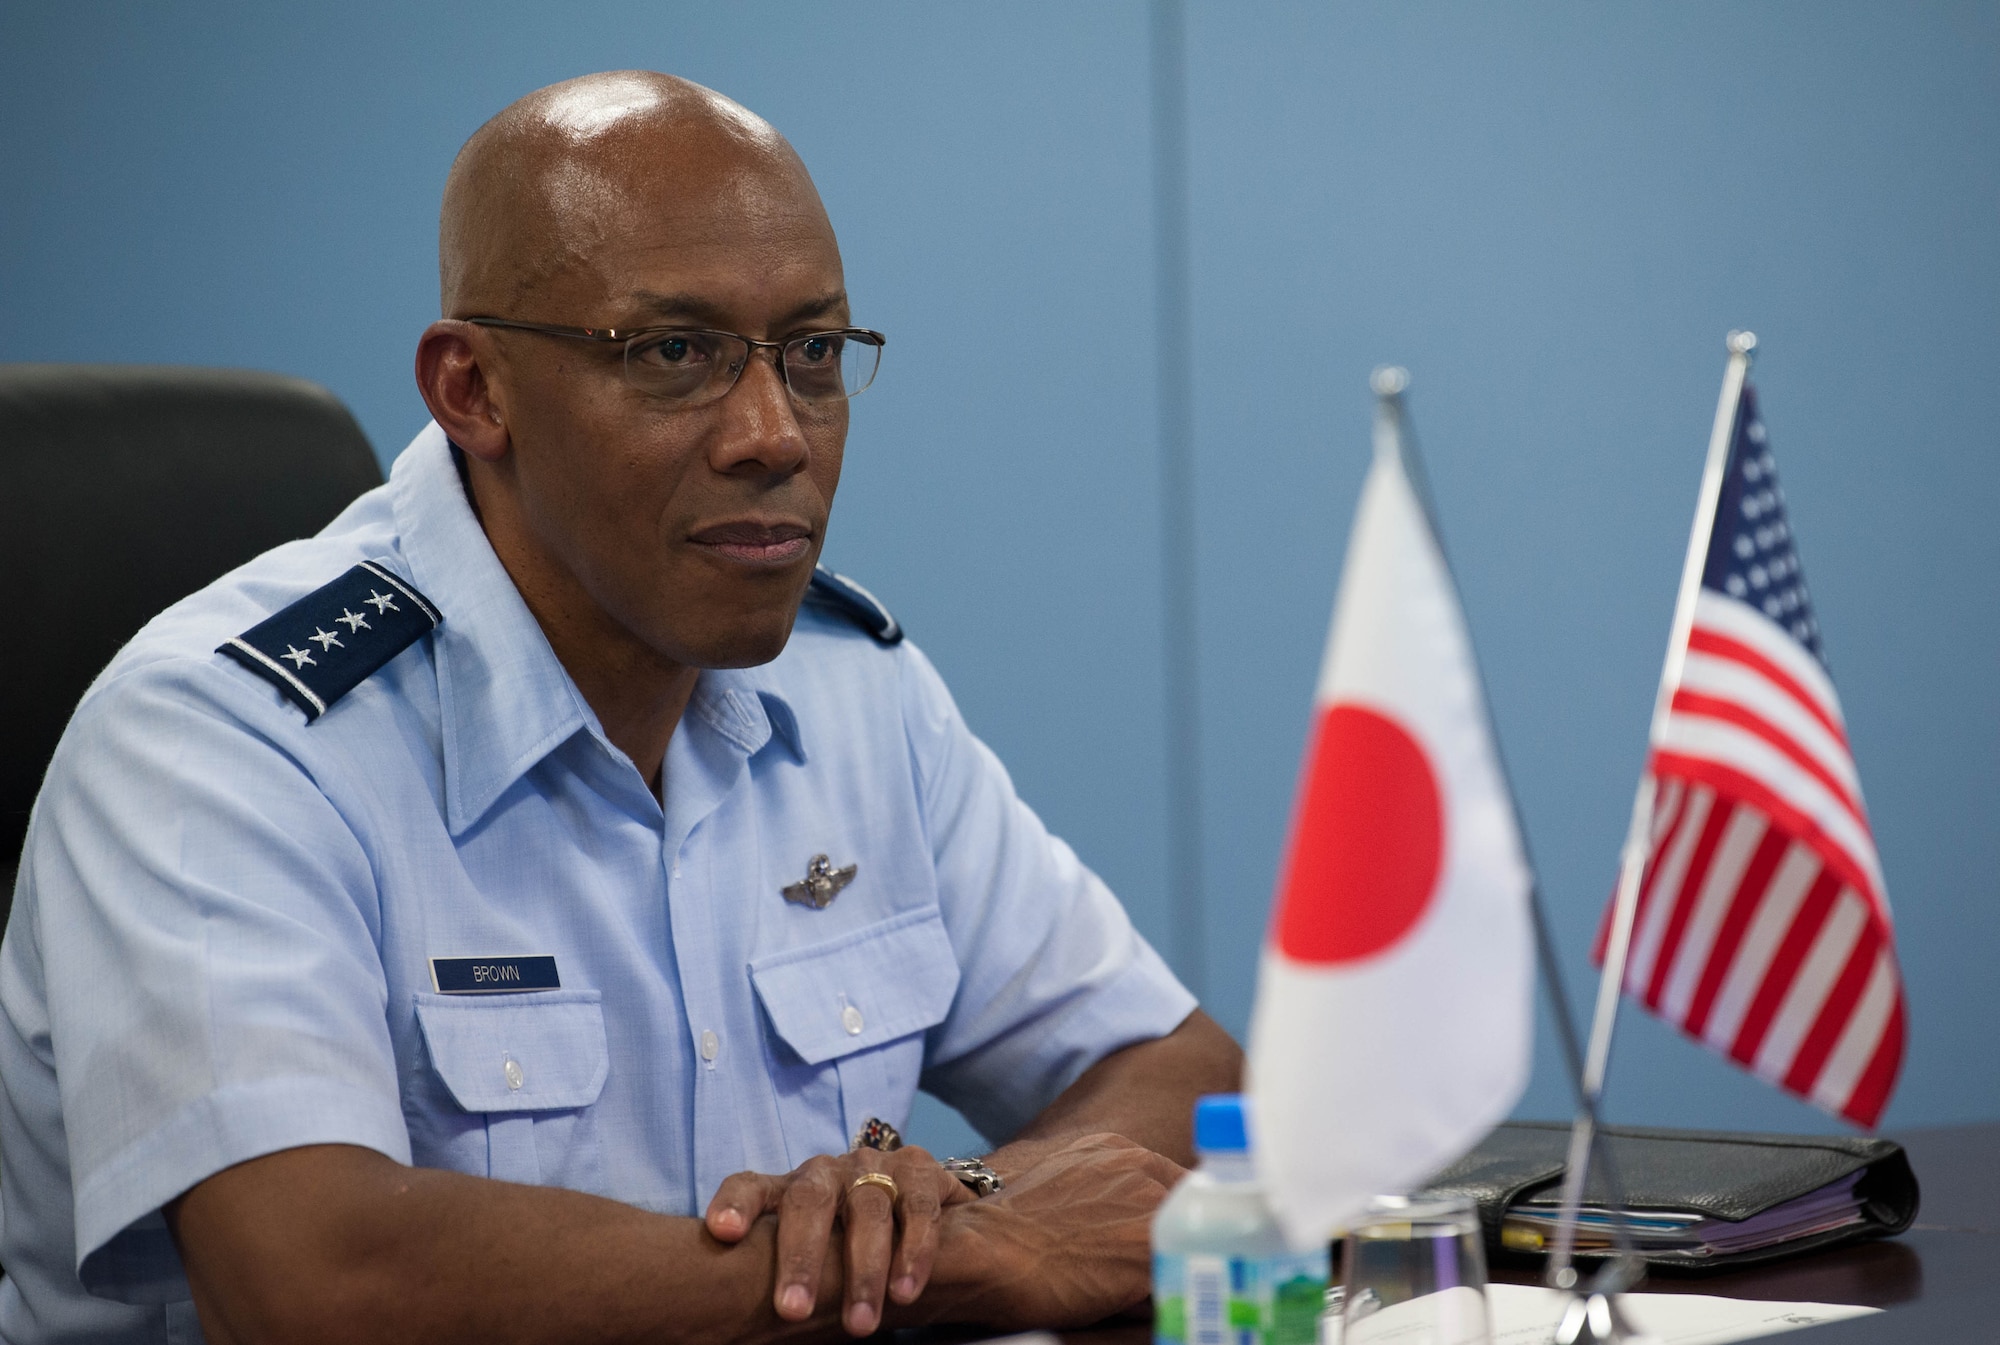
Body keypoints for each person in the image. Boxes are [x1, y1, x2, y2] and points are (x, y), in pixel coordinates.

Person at [0, 70, 1242, 1345]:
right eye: (673, 354)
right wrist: (928, 1258)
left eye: (812, 353)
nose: (774, 434)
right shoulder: (221, 742)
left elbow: (1184, 1080)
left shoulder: (852, 688)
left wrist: (951, 1200)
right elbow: (315, 1283)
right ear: (471, 391)